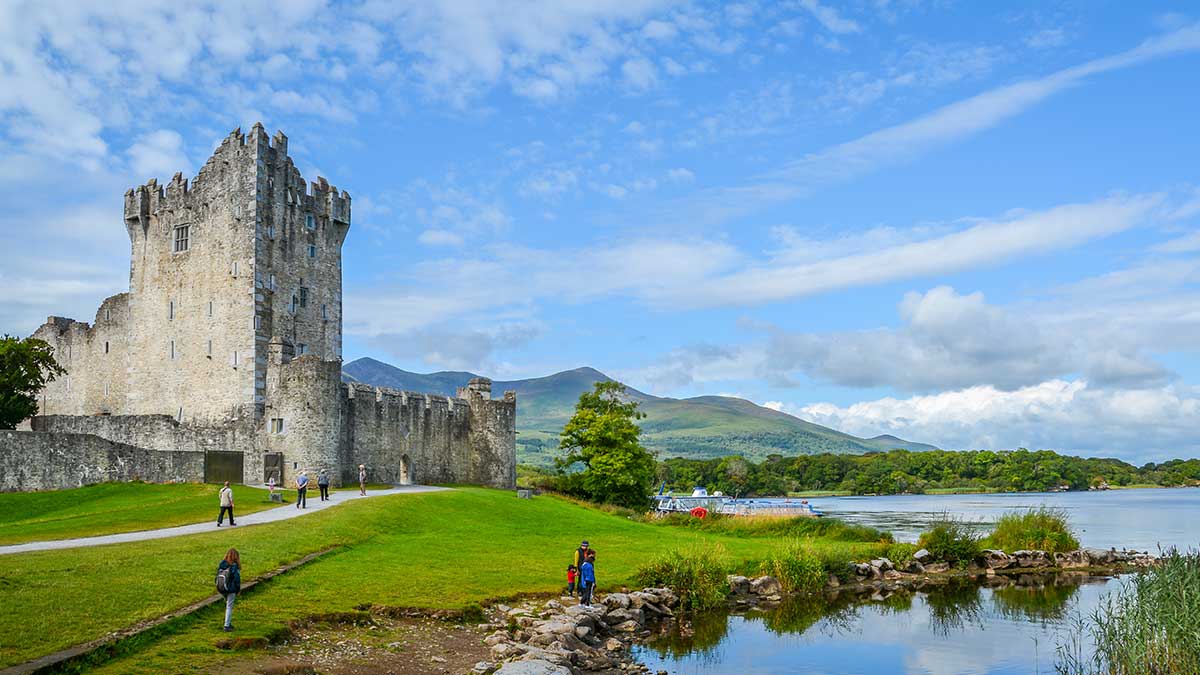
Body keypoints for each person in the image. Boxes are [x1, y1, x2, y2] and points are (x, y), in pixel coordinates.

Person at [217, 548, 241, 632]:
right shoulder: (234, 566)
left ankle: (228, 623)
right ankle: (227, 625)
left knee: (227, 605)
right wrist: (238, 590)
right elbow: (237, 579)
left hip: (221, 587)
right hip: (231, 589)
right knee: (229, 606)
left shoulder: (222, 564)